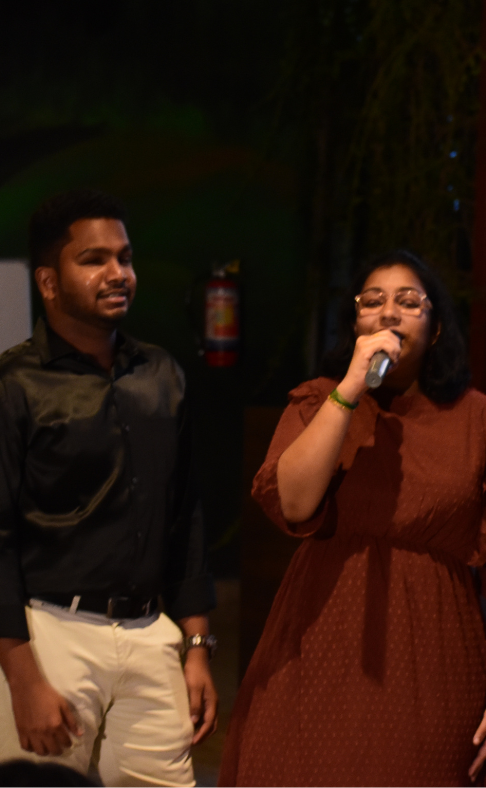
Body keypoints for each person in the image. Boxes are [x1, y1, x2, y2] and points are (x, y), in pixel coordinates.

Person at [218, 250, 486, 786]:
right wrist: (349, 389)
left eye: (408, 302)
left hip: (435, 652)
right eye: (373, 301)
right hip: (319, 638)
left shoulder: (482, 419)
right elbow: (292, 504)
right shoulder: (320, 401)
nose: (389, 312)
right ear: (356, 324)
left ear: (435, 330)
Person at [0, 190, 218, 786]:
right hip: (50, 636)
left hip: (153, 637)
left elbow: (186, 516)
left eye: (124, 257)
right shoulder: (14, 384)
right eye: (95, 259)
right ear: (48, 282)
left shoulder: (162, 374)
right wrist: (22, 677)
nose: (118, 273)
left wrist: (198, 646)